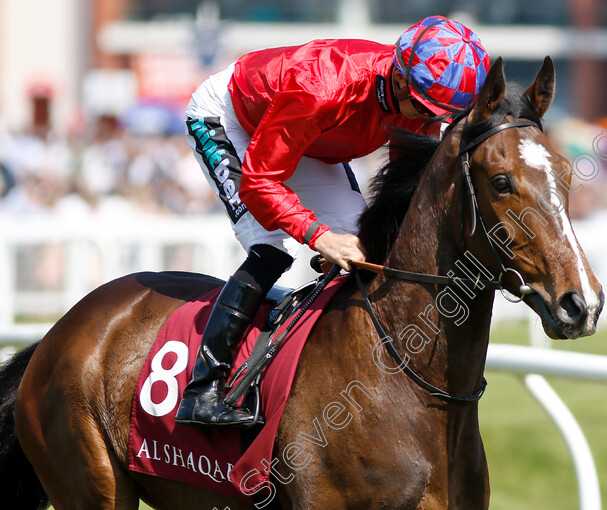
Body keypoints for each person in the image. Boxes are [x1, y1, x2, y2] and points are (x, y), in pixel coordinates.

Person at [176, 15, 491, 427]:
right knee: (275, 243)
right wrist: (320, 238)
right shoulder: (320, 86)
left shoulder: (416, 99)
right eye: (427, 110)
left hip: (304, 137)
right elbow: (258, 182)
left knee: (364, 240)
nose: (428, 121)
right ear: (399, 79)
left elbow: (400, 183)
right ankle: (204, 389)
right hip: (231, 120)